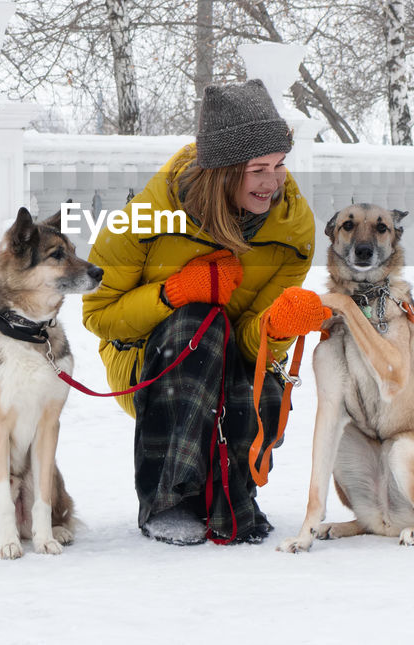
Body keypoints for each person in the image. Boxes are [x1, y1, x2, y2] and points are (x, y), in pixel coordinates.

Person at [82, 79, 328, 545]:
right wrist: (174, 292)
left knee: (247, 368)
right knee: (200, 322)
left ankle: (227, 499)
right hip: (149, 359)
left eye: (278, 166)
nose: (273, 182)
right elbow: (100, 315)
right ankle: (170, 497)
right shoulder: (150, 213)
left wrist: (276, 326)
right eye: (258, 169)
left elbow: (254, 345)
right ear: (222, 171)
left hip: (231, 356)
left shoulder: (292, 230)